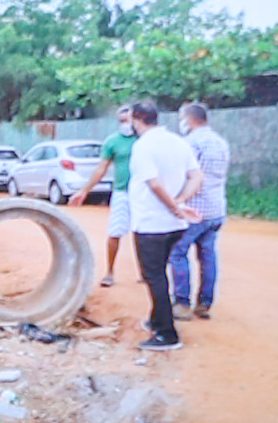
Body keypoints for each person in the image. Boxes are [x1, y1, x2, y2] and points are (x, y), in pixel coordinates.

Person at [122, 97, 202, 349]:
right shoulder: (178, 142)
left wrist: (171, 206)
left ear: (136, 120)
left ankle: (167, 334)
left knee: (154, 277)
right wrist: (179, 203)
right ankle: (157, 320)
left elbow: (154, 183)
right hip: (174, 225)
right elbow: (196, 176)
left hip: (151, 223)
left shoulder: (143, 146)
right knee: (159, 274)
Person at [175, 99, 231, 317]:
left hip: (194, 209)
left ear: (189, 119)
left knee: (177, 253)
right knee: (208, 256)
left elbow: (189, 176)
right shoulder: (221, 142)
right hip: (216, 208)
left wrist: (178, 200)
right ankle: (205, 303)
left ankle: (182, 302)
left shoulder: (190, 143)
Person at [95, 112, 141, 289]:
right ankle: (110, 272)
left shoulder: (143, 140)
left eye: (128, 119)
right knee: (115, 232)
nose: (125, 123)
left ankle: (144, 272)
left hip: (142, 192)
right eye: (122, 120)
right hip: (121, 191)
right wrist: (85, 189)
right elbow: (102, 167)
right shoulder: (112, 141)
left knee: (142, 233)